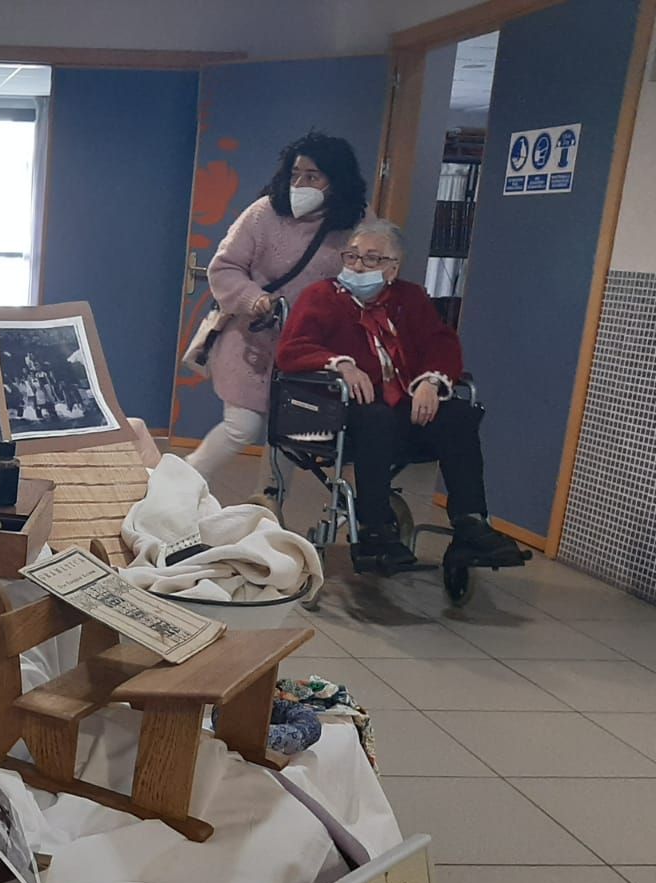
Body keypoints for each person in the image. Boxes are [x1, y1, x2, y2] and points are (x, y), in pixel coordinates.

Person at [275, 217, 525, 573]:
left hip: (402, 407)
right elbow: (292, 349)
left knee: (458, 414)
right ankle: (375, 527)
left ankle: (470, 524)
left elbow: (442, 342)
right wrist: (340, 364)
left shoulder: (410, 298)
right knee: (375, 416)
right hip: (343, 410)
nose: (359, 265)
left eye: (372, 259)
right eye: (352, 256)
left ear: (393, 268)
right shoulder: (321, 297)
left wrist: (431, 382)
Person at [186, 132, 368, 486]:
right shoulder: (263, 213)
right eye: (296, 174)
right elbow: (224, 267)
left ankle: (269, 502)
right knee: (243, 426)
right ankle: (183, 478)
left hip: (307, 345)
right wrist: (255, 300)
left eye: (312, 176)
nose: (300, 183)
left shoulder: (354, 223)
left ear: (336, 179)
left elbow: (362, 272)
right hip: (251, 338)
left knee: (287, 429)